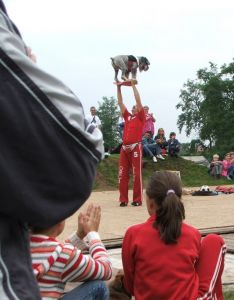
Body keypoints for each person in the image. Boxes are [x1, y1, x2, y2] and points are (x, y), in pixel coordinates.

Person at [0, 2, 103, 298]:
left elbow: (55, 250)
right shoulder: (61, 252)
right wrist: (92, 235)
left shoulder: (49, 246)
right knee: (97, 286)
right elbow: (75, 161)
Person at [122, 171, 226, 299]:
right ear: (179, 199)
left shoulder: (133, 234)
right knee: (214, 240)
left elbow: (130, 286)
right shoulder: (192, 234)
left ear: (150, 203)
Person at [30, 204, 112, 299]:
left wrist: (79, 235)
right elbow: (106, 269)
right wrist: (92, 234)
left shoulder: (16, 245)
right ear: (60, 222)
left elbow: (56, 252)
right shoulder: (64, 254)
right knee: (99, 286)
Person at [116, 81, 145, 207]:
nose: (134, 108)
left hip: (135, 147)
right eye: (132, 107)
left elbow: (138, 100)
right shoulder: (127, 117)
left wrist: (133, 85)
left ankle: (137, 199)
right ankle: (123, 199)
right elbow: (120, 103)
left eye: (135, 107)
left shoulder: (140, 117)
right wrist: (119, 88)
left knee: (136, 174)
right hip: (124, 148)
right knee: (122, 174)